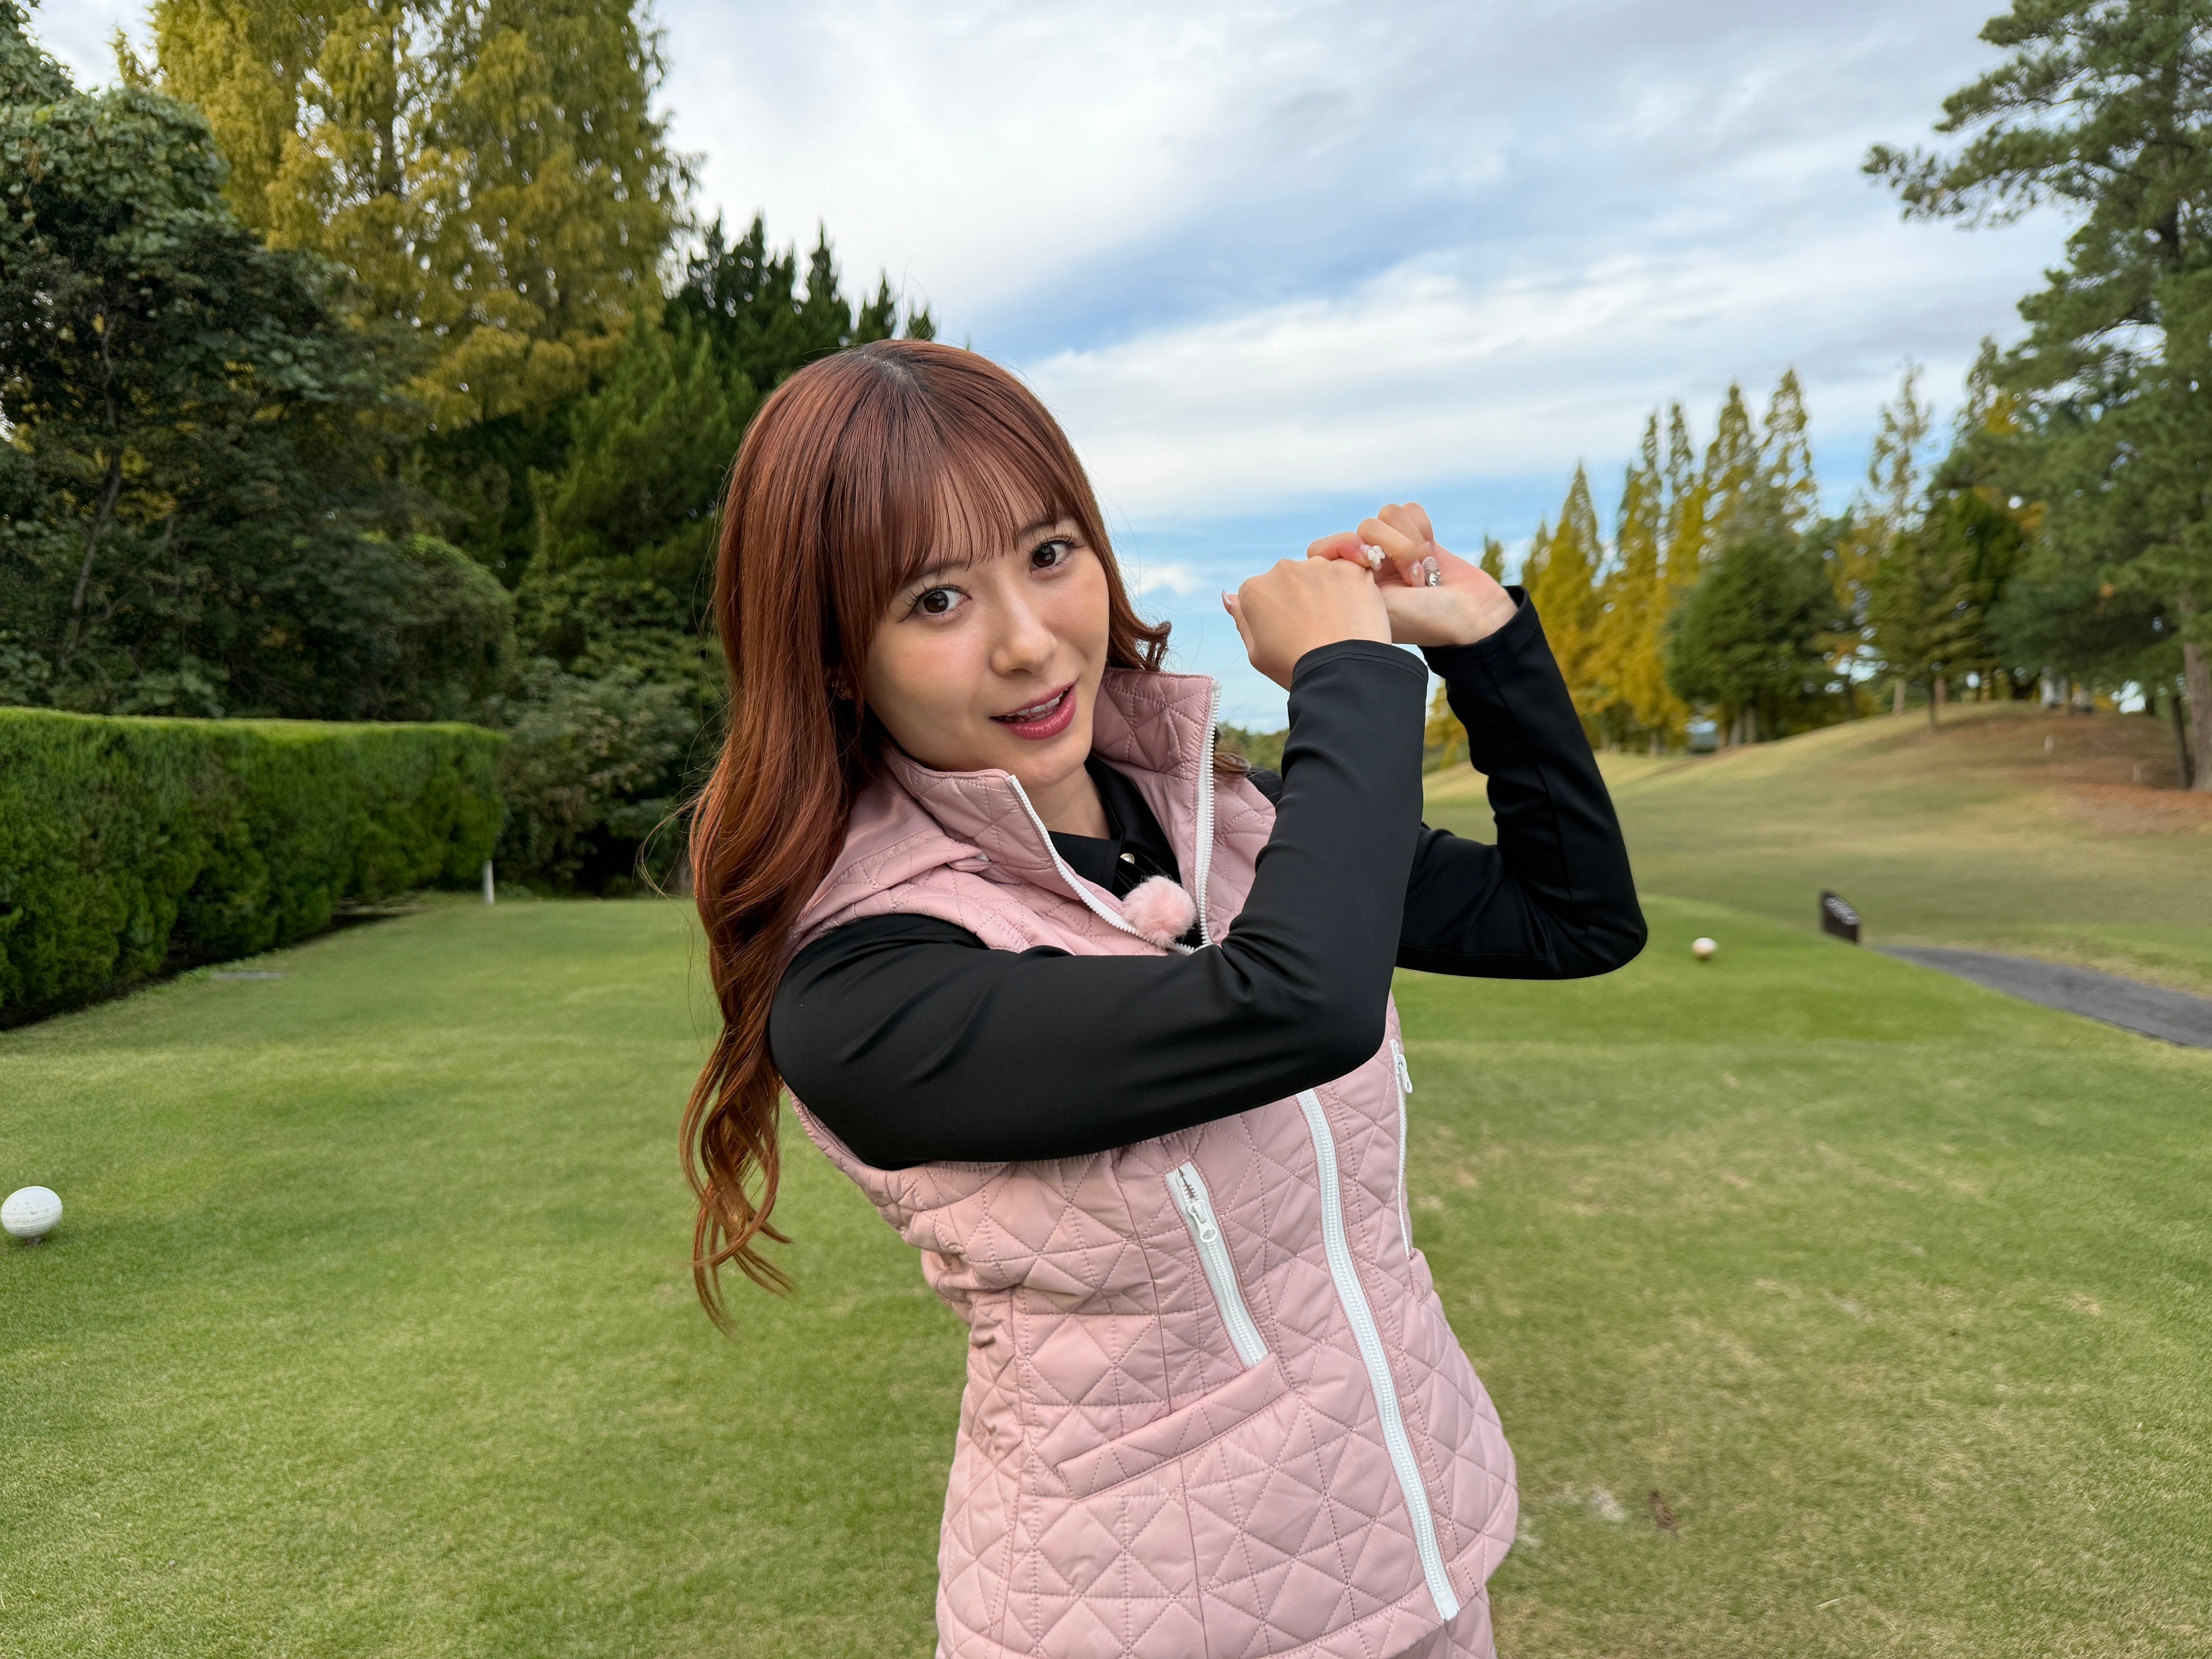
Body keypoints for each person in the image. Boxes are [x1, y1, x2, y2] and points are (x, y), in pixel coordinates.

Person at [685, 339, 1645, 1659]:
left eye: (1050, 553)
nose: (1030, 642)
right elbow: (1299, 1006)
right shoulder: (865, 982)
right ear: (840, 657)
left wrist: (1487, 648)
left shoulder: (1230, 824)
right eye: (935, 598)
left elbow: (1572, 917)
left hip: (1413, 1577)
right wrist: (1351, 675)